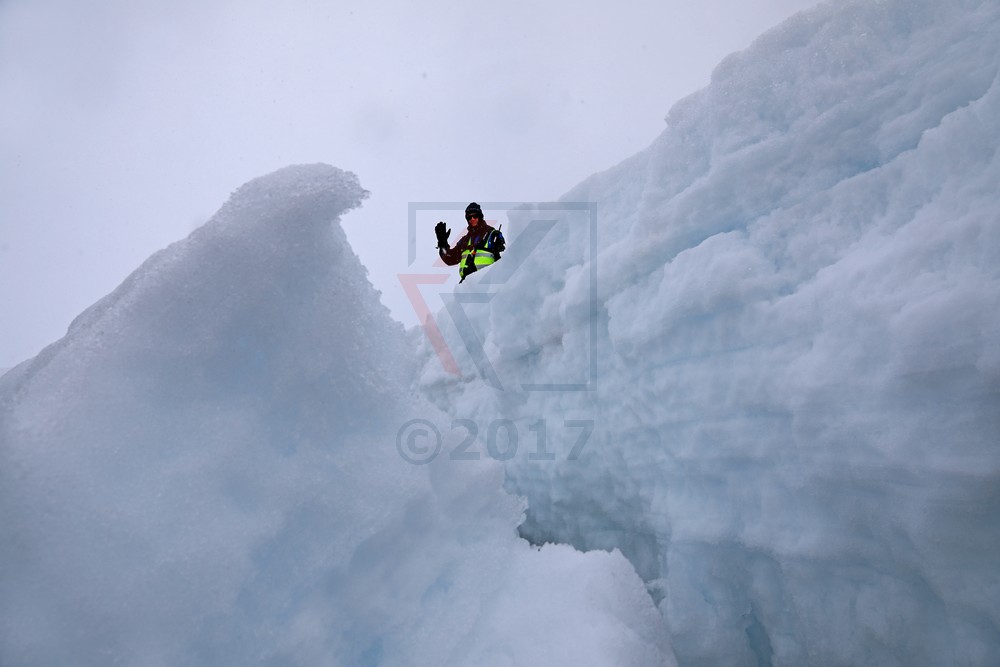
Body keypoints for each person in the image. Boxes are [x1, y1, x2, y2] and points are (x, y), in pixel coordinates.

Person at [435, 202, 505, 282]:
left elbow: (506, 256)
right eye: (469, 217)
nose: (472, 219)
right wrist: (442, 243)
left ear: (480, 216)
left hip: (487, 282)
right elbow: (450, 258)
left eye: (475, 216)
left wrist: (498, 244)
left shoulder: (492, 234)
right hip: (467, 284)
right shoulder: (465, 240)